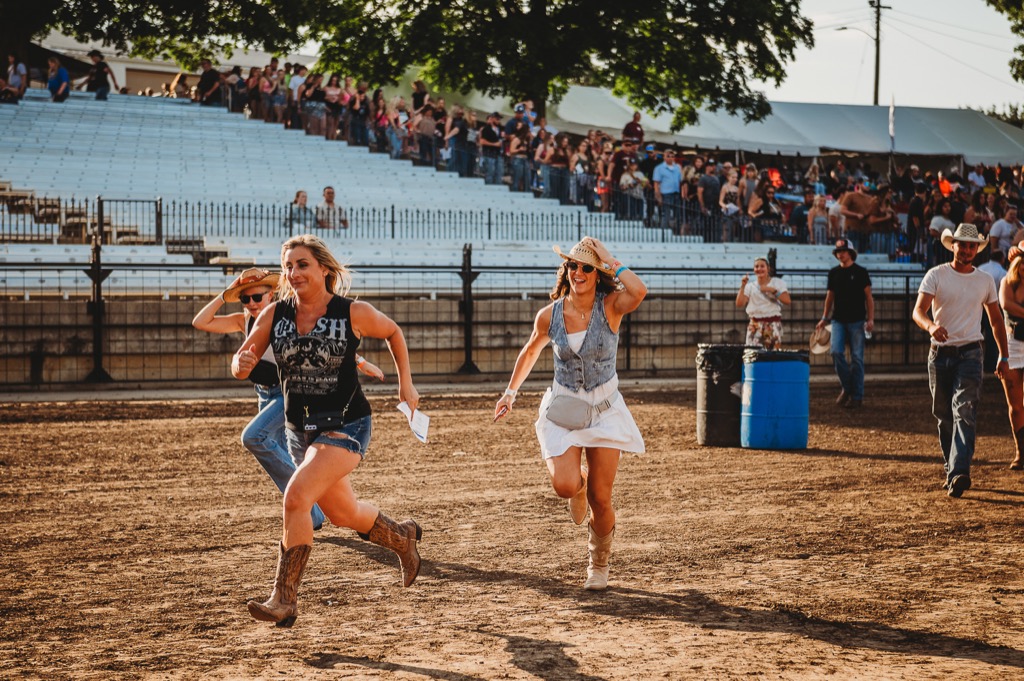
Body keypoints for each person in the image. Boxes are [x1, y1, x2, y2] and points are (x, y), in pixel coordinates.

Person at [232, 234, 423, 626]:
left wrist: (406, 383)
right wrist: (241, 364)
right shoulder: (274, 315)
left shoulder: (351, 312)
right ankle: (402, 538)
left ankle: (284, 599)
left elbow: (393, 332)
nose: (293, 273)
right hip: (299, 431)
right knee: (343, 513)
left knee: (296, 497)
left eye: (302, 264)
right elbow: (241, 359)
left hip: (347, 424)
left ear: (323, 268)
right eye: (288, 266)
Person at [493, 237, 647, 591]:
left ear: (597, 273)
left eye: (587, 267)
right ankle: (578, 485)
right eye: (573, 266)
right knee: (565, 485)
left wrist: (610, 259)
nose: (578, 272)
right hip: (564, 408)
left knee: (601, 498)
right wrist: (510, 393)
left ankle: (598, 564)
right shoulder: (550, 315)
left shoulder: (611, 306)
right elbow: (531, 350)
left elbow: (639, 291)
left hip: (604, 411)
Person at [192, 268, 384, 530]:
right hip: (264, 395)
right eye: (245, 299)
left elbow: (321, 344)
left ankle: (310, 506)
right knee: (289, 457)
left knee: (254, 437)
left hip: (286, 395)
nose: (251, 304)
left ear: (271, 295)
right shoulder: (243, 321)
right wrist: (228, 292)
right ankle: (312, 514)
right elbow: (200, 322)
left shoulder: (285, 319)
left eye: (257, 297)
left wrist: (360, 362)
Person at [913, 224, 1010, 498]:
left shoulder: (985, 281)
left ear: (976, 249)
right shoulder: (936, 274)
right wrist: (931, 326)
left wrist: (1003, 354)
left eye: (971, 246)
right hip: (939, 353)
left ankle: (959, 472)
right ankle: (952, 469)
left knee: (964, 410)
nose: (967, 250)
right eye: (962, 245)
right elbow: (918, 311)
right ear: (952, 245)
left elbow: (996, 320)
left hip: (971, 353)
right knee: (944, 416)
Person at [815, 239, 875, 409]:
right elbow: (830, 297)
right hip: (838, 319)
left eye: (843, 251)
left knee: (857, 358)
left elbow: (869, 297)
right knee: (836, 352)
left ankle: (854, 394)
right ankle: (850, 388)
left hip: (857, 320)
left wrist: (870, 319)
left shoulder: (861, 272)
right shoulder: (834, 273)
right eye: (838, 252)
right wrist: (824, 317)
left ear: (850, 253)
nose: (840, 254)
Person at [999, 251, 1024, 470]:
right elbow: (1006, 303)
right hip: (1013, 344)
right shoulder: (1007, 281)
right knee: (1015, 405)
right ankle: (1020, 451)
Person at [736, 257, 791, 349]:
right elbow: (739, 303)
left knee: (772, 353)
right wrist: (743, 286)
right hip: (755, 324)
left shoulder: (777, 282)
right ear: (754, 269)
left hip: (772, 322)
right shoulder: (750, 286)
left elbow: (787, 300)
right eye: (756, 266)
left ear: (768, 268)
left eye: (762, 266)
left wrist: (772, 290)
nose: (759, 269)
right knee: (752, 352)